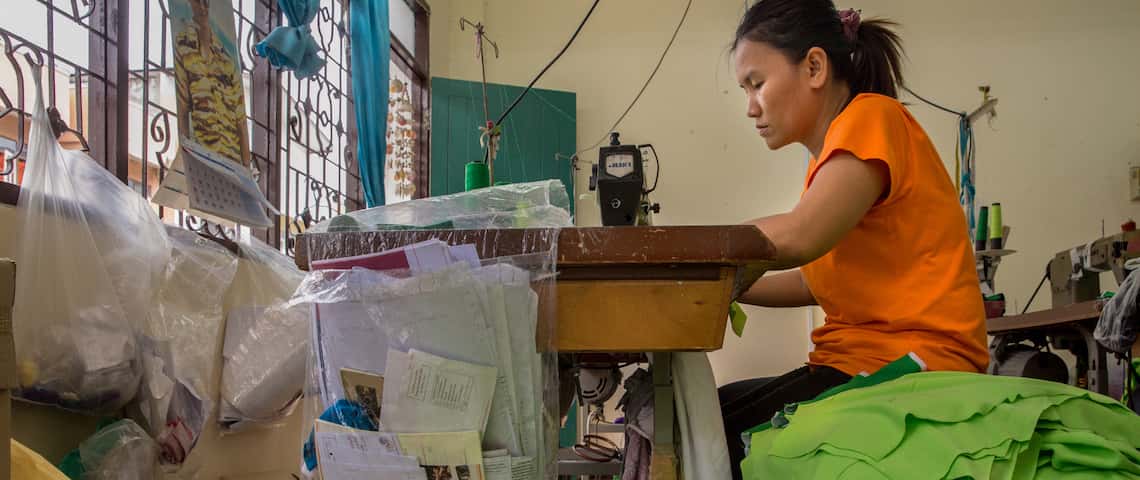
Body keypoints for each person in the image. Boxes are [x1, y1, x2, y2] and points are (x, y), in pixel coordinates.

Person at [720, 0, 989, 478]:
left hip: (915, 365)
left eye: (757, 83)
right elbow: (815, 280)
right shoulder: (833, 161)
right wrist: (724, 284)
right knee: (711, 414)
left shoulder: (872, 118)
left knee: (719, 435)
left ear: (815, 67)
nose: (750, 107)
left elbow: (802, 235)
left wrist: (694, 253)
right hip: (859, 360)